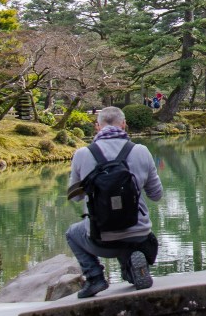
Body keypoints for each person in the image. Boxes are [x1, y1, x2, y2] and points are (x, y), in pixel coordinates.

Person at [66, 106, 163, 298]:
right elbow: (156, 195)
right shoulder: (141, 151)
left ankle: (95, 278)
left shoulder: (82, 154)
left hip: (102, 238)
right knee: (133, 230)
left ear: (97, 127)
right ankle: (133, 268)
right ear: (124, 124)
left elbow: (75, 196)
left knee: (72, 233)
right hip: (139, 235)